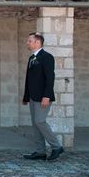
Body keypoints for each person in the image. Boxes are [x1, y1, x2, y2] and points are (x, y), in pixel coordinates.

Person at [22, 32, 64, 161]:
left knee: (40, 121)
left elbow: (50, 78)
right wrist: (26, 96)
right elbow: (29, 79)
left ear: (37, 42)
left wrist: (46, 96)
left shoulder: (47, 57)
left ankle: (56, 146)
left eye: (29, 41)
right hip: (33, 97)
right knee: (35, 124)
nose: (27, 43)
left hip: (42, 97)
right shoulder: (31, 58)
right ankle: (40, 151)